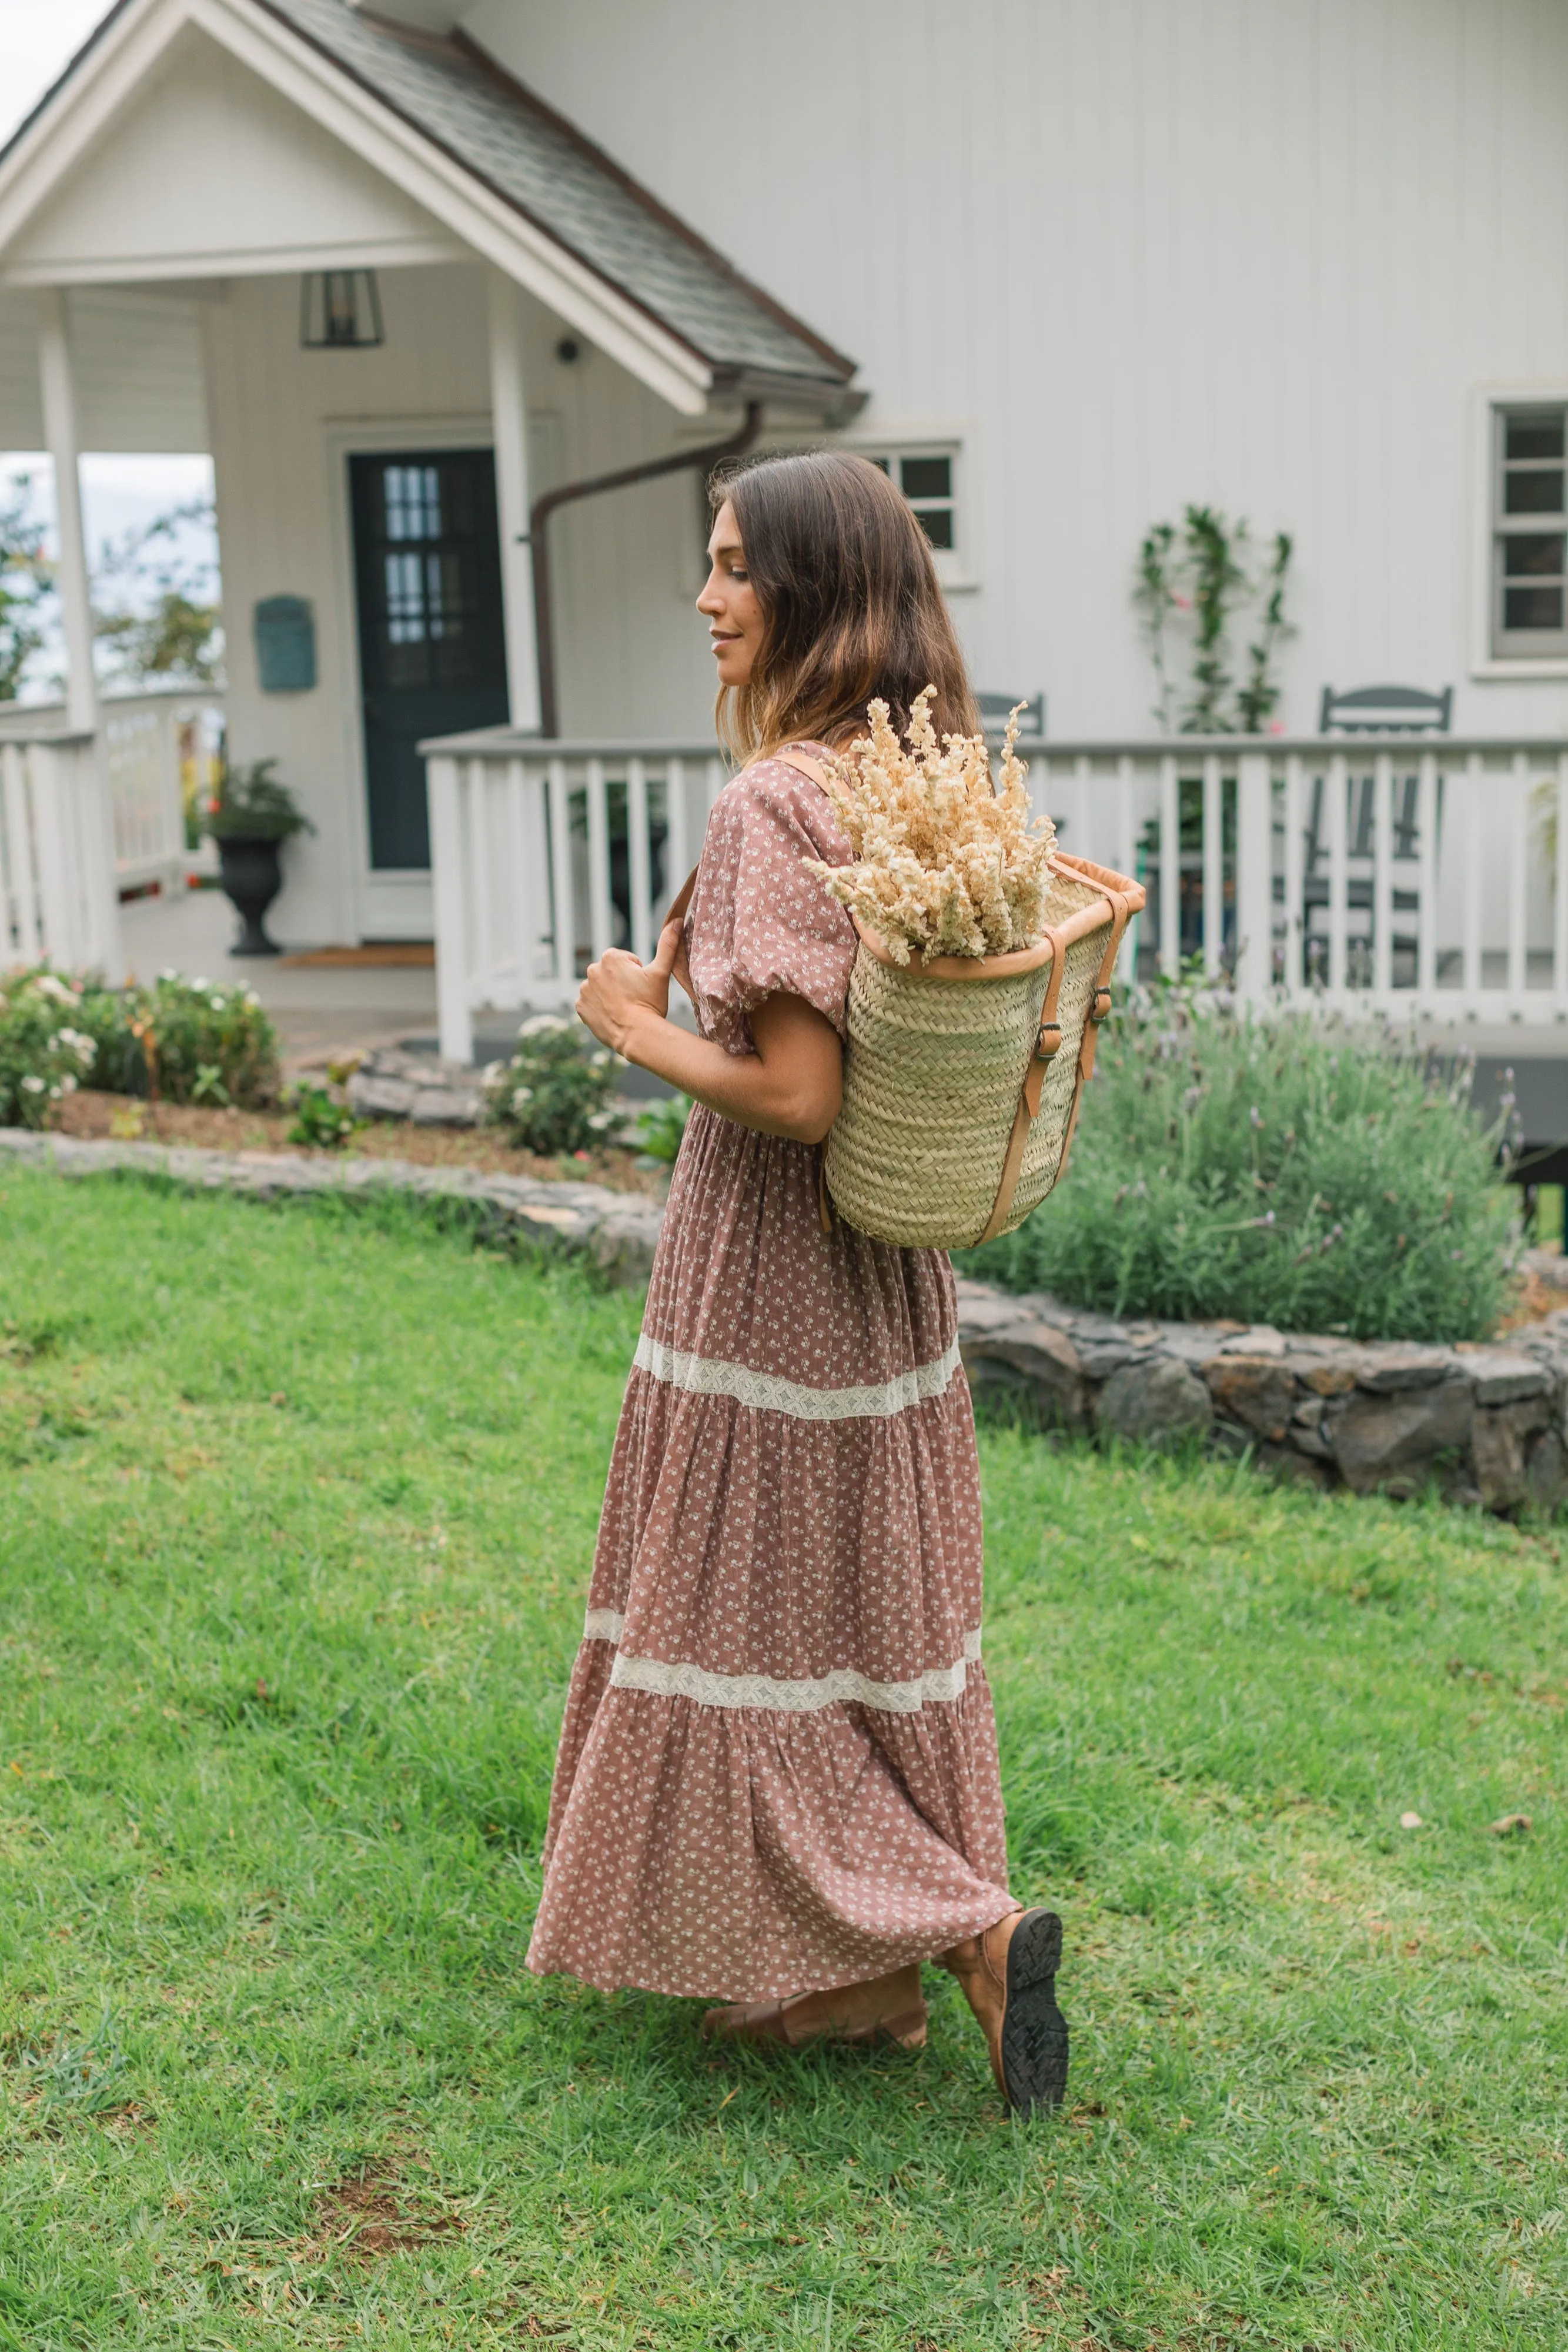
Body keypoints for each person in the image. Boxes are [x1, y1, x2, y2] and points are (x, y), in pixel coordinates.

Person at [525, 450, 1067, 2116]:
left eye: (737, 567)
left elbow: (797, 1090)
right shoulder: (912, 785)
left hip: (771, 1273)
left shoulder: (771, 803)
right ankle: (853, 1990)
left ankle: (959, 1929)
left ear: (819, 593)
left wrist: (632, 1027)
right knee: (848, 1616)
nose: (708, 597)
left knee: (736, 1613)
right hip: (888, 1288)